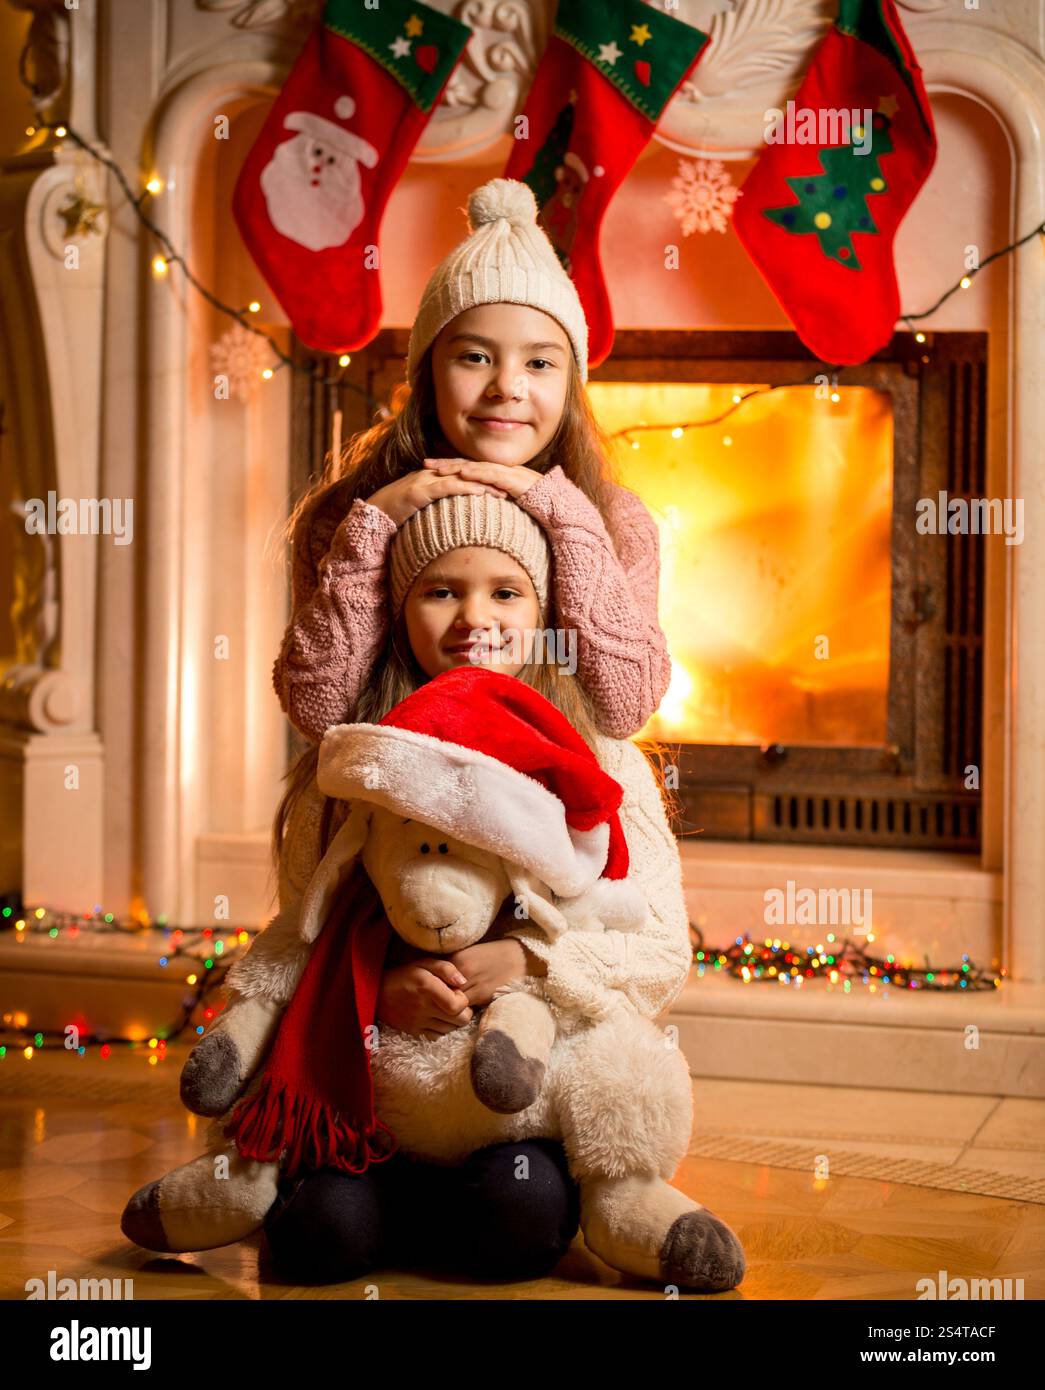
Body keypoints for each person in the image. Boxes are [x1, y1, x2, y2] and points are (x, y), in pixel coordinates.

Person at [260, 492, 697, 1286]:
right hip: (371, 1090)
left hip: (514, 1111)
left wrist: (530, 966)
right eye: (439, 591)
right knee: (318, 1240)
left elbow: (661, 950)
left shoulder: (605, 759)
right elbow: (295, 934)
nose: (473, 617)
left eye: (505, 591)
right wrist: (377, 988)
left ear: (543, 608)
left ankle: (469, 1211)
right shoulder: (357, 759)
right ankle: (366, 1200)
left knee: (515, 1221)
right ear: (399, 610)